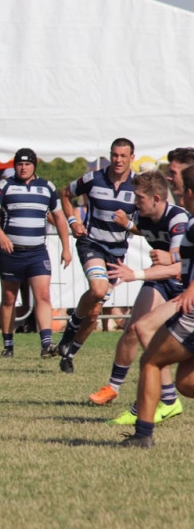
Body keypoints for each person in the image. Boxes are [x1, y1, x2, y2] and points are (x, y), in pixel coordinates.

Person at [96, 171, 188, 423]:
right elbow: (143, 230)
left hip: (182, 287)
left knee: (152, 338)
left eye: (139, 197)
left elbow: (180, 263)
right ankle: (114, 387)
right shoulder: (144, 215)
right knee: (135, 329)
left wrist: (136, 272)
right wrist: (127, 225)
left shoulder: (178, 218)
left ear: (156, 198)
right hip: (161, 280)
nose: (134, 202)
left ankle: (164, 400)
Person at [118, 165, 194, 448]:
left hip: (189, 302)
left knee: (151, 360)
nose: (174, 189)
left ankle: (143, 434)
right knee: (186, 382)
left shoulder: (185, 221)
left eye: (176, 183)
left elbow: (179, 265)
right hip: (183, 298)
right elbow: (182, 262)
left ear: (188, 191)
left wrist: (138, 274)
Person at [55, 138, 137, 373]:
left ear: (132, 157)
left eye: (123, 156)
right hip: (91, 244)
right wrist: (73, 221)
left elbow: (145, 226)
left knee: (94, 313)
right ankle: (71, 327)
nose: (118, 160)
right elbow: (65, 194)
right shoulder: (93, 178)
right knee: (99, 289)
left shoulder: (140, 186)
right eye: (115, 155)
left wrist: (128, 224)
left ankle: (69, 353)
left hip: (117, 253)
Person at [0, 148, 71, 358]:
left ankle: (46, 344)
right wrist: (1, 235)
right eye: (19, 164)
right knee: (9, 297)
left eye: (27, 164)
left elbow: (59, 217)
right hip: (11, 251)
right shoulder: (4, 185)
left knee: (43, 295)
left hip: (37, 252)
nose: (23, 168)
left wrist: (66, 248)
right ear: (15, 166)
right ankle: (8, 344)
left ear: (34, 166)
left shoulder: (47, 187)